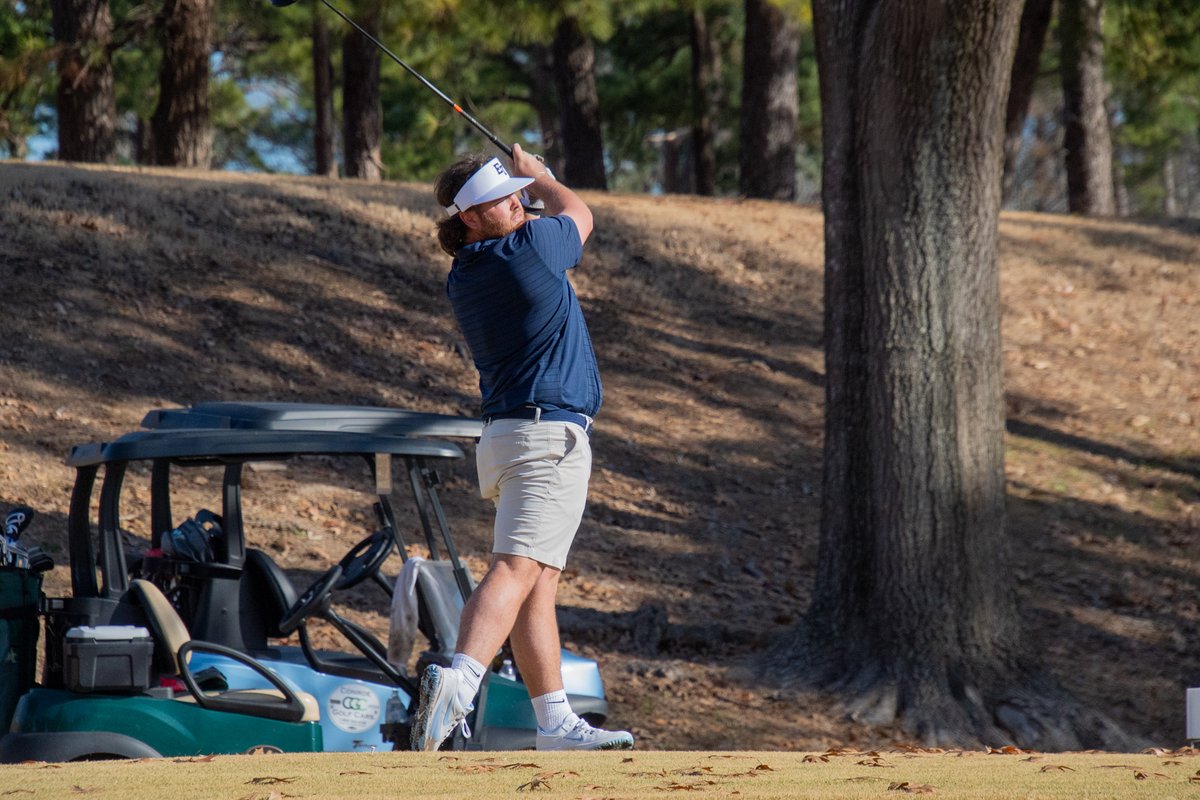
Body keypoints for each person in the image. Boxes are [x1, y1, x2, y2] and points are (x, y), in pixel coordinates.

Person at [409, 144, 634, 752]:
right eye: (502, 200)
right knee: (515, 568)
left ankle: (554, 722)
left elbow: (539, 216)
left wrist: (521, 190)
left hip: (510, 436)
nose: (518, 202)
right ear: (472, 219)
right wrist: (543, 176)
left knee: (539, 581)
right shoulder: (529, 250)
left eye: (515, 194)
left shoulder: (469, 270)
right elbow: (580, 214)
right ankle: (459, 682)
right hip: (546, 437)